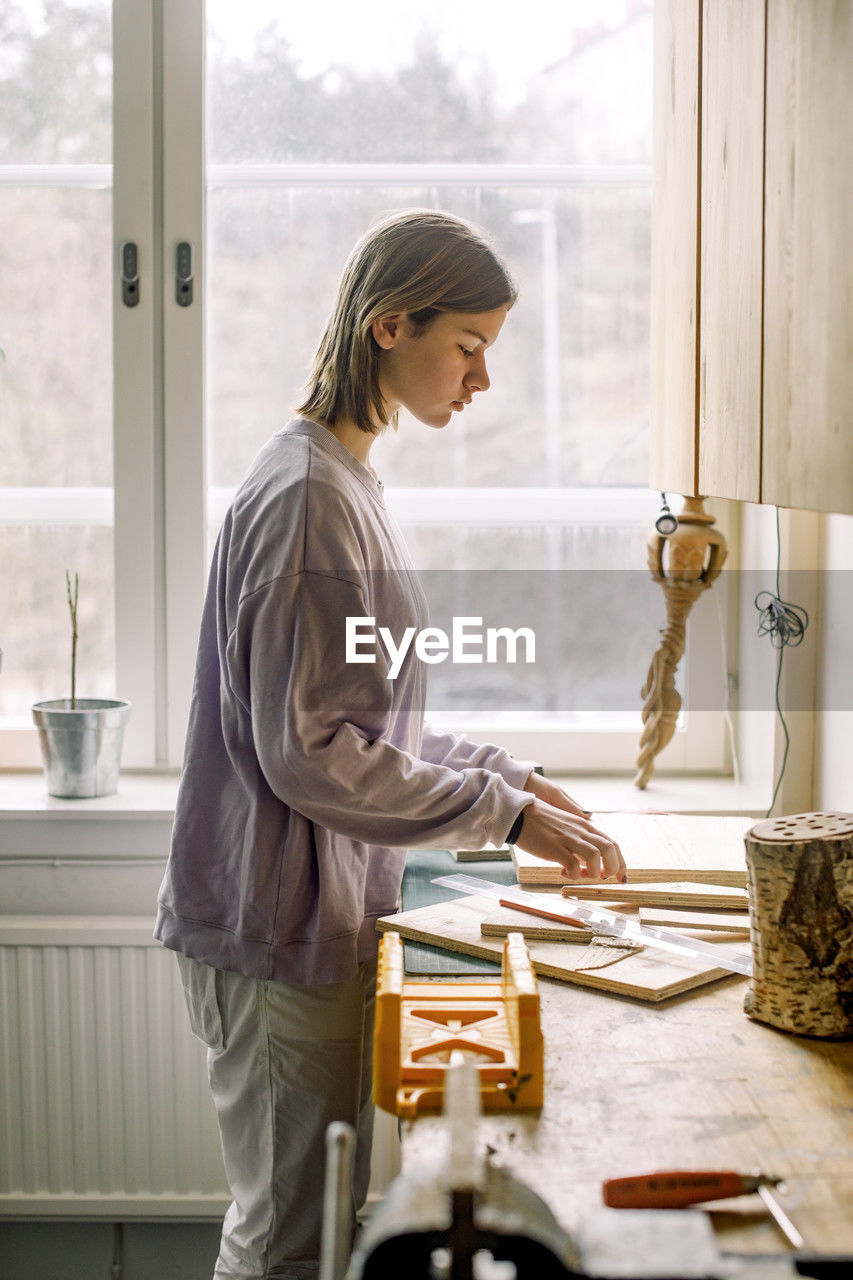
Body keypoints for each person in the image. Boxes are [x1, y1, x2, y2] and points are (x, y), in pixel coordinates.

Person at [155, 208, 625, 1279]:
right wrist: (499, 811)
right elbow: (310, 752)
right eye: (468, 347)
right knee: (285, 1238)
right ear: (386, 326)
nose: (481, 381)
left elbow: (363, 720)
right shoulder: (310, 495)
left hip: (308, 915)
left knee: (312, 1222)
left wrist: (507, 776)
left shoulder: (345, 479)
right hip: (274, 926)